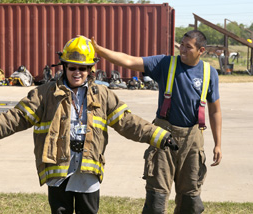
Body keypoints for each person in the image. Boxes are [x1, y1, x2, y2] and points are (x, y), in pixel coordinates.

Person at [0, 36, 178, 214]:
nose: (77, 72)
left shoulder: (103, 95)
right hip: (58, 168)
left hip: (88, 171)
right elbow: (17, 117)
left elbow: (128, 122)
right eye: (72, 67)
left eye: (83, 68)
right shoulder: (45, 94)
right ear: (64, 67)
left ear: (90, 69)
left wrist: (160, 136)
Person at [90, 30, 222, 214]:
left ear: (201, 50)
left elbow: (215, 110)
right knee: (156, 200)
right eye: (181, 44)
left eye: (188, 47)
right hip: (163, 137)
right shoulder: (165, 63)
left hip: (193, 141)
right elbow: (129, 60)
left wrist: (218, 144)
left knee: (191, 201)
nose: (182, 49)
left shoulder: (210, 73)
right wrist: (99, 50)